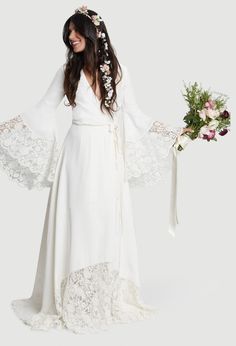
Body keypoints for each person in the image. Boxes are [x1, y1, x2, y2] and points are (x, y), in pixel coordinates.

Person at [0, 5, 192, 334]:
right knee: (77, 219)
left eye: (76, 32)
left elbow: (135, 115)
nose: (71, 37)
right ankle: (72, 297)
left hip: (106, 155)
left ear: (93, 34)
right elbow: (42, 109)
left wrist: (173, 133)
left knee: (104, 219)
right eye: (68, 33)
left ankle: (101, 294)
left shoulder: (119, 72)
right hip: (77, 154)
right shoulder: (66, 72)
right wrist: (4, 128)